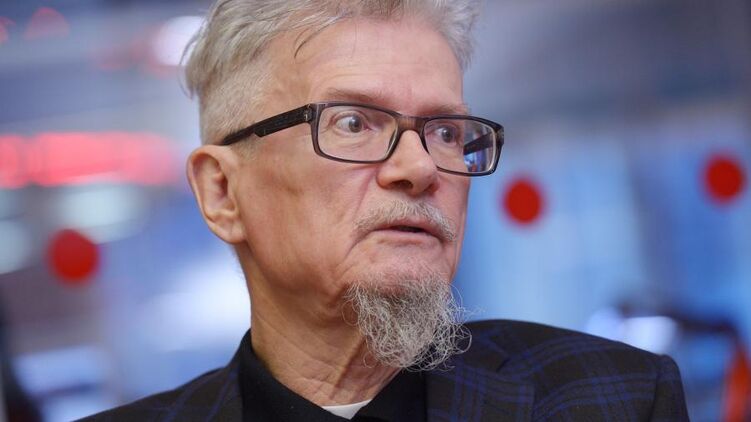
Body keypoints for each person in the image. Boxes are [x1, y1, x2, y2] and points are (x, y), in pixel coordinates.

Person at [83, 0, 689, 420]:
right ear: (221, 192)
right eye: (352, 123)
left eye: (446, 132)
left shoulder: (615, 398)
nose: (421, 168)